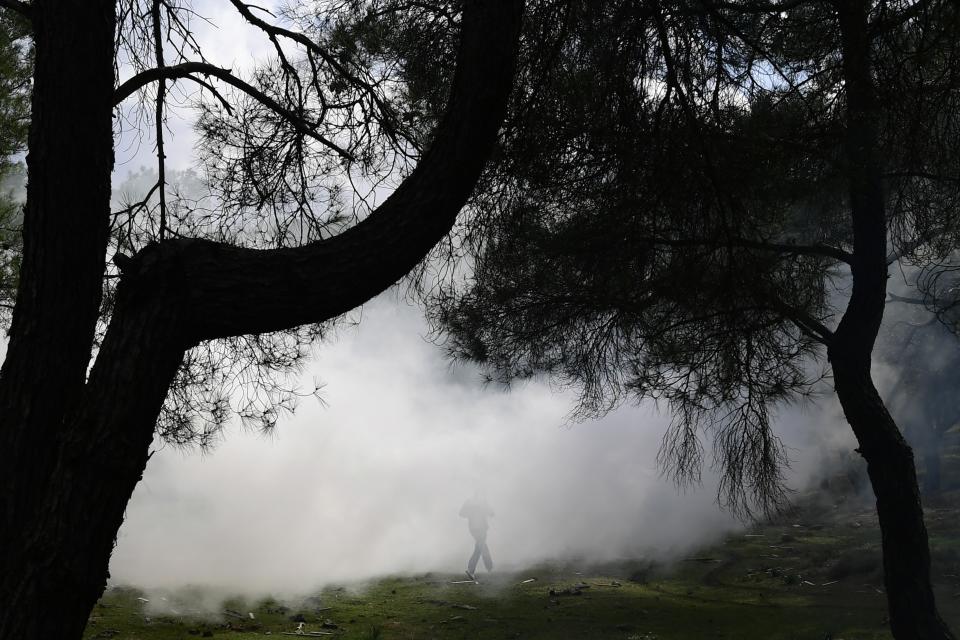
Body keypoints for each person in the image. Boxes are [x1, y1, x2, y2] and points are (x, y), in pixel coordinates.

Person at [459, 492, 494, 580]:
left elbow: (491, 513)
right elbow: (461, 513)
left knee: (479, 548)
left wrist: (486, 510)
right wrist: (471, 511)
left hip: (482, 527)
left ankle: (474, 570)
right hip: (474, 528)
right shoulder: (469, 502)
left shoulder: (483, 501)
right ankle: (487, 567)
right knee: (482, 546)